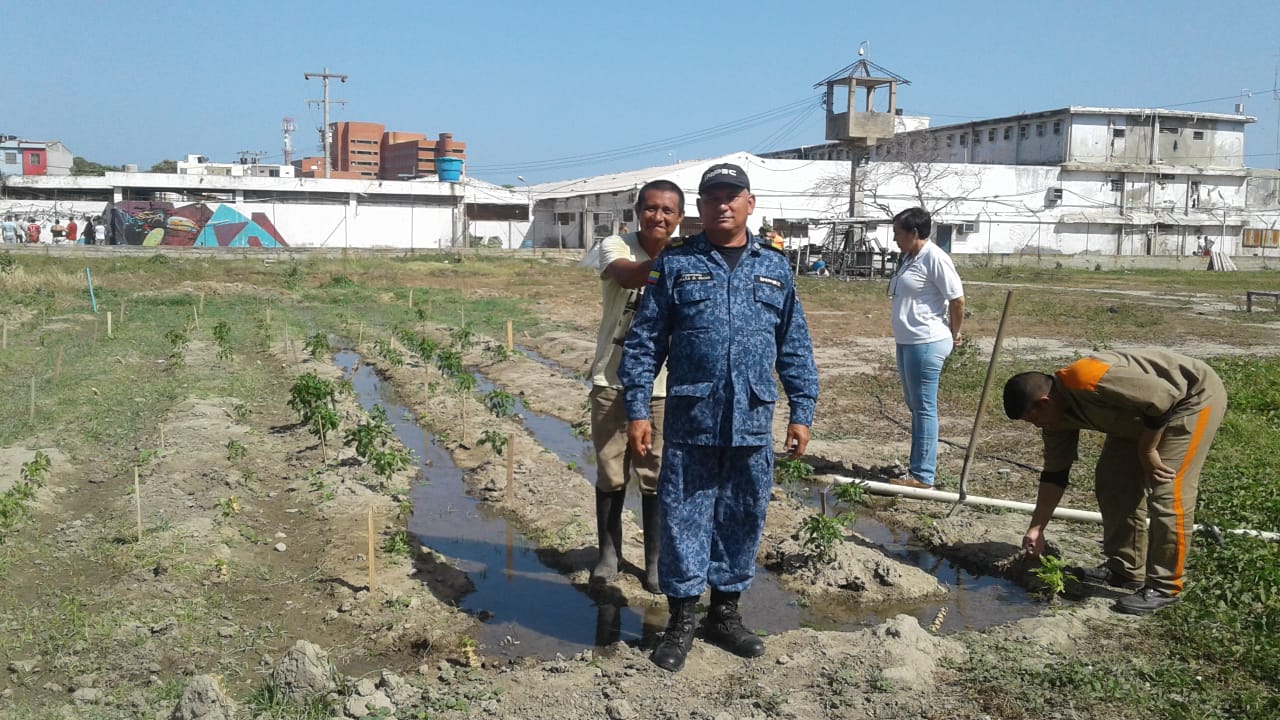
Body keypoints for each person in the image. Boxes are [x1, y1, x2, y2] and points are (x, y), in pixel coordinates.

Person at [620, 163, 818, 672]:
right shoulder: (677, 264)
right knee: (684, 514)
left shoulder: (775, 267)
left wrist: (802, 409)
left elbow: (793, 344)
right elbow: (644, 342)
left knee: (742, 514)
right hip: (691, 416)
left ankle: (725, 615)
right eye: (712, 198)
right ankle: (683, 617)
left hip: (752, 417)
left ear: (750, 203)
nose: (722, 205)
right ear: (700, 208)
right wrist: (639, 410)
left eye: (732, 196)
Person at [1002, 349, 1227, 615]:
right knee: (1113, 482)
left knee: (1166, 490)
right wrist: (1037, 528)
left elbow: (1163, 398)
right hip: (1142, 416)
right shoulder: (1055, 419)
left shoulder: (1086, 378)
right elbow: (1055, 473)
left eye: (1033, 419)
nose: (1036, 426)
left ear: (1044, 402)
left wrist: (1147, 451)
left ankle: (1166, 586)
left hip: (1189, 400)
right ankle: (1125, 568)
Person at [587, 179, 685, 593]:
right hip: (612, 379)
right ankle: (608, 553)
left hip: (664, 385)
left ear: (679, 218)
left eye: (667, 211)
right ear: (636, 212)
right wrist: (678, 263)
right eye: (650, 209)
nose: (658, 217)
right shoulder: (616, 247)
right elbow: (628, 277)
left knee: (655, 474)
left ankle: (655, 563)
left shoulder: (688, 255)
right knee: (612, 471)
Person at [886, 207, 964, 490]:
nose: (894, 238)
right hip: (908, 341)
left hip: (927, 341)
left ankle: (922, 475)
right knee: (915, 405)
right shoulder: (909, 258)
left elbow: (957, 299)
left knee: (924, 408)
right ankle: (917, 468)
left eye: (897, 233)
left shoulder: (935, 258)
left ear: (914, 233)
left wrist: (956, 333)